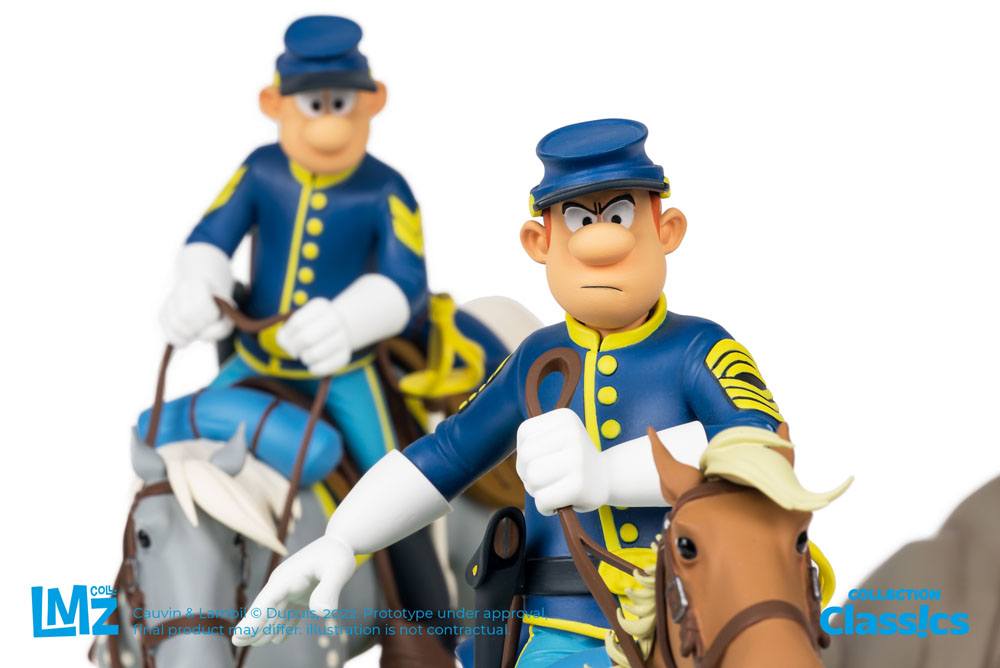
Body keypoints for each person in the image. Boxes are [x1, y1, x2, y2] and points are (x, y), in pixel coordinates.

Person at [234, 118, 789, 666]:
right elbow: (448, 455)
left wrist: (608, 475)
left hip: (693, 617)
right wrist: (344, 538)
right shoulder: (533, 361)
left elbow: (760, 449)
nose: (601, 242)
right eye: (579, 219)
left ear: (666, 230)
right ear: (539, 243)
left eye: (620, 215)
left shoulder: (701, 348)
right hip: (558, 632)